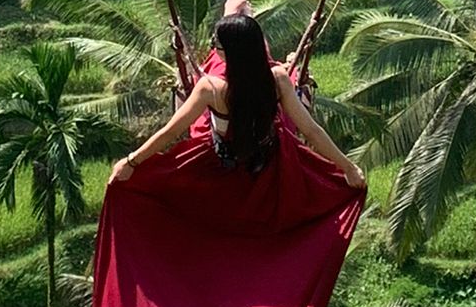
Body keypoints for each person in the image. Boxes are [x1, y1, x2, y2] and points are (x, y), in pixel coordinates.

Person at [108, 12, 365, 188]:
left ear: (227, 52)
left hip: (222, 167)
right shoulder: (278, 79)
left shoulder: (210, 88)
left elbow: (170, 131)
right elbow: (311, 130)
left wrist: (131, 162)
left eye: (217, 45)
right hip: (271, 167)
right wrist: (348, 168)